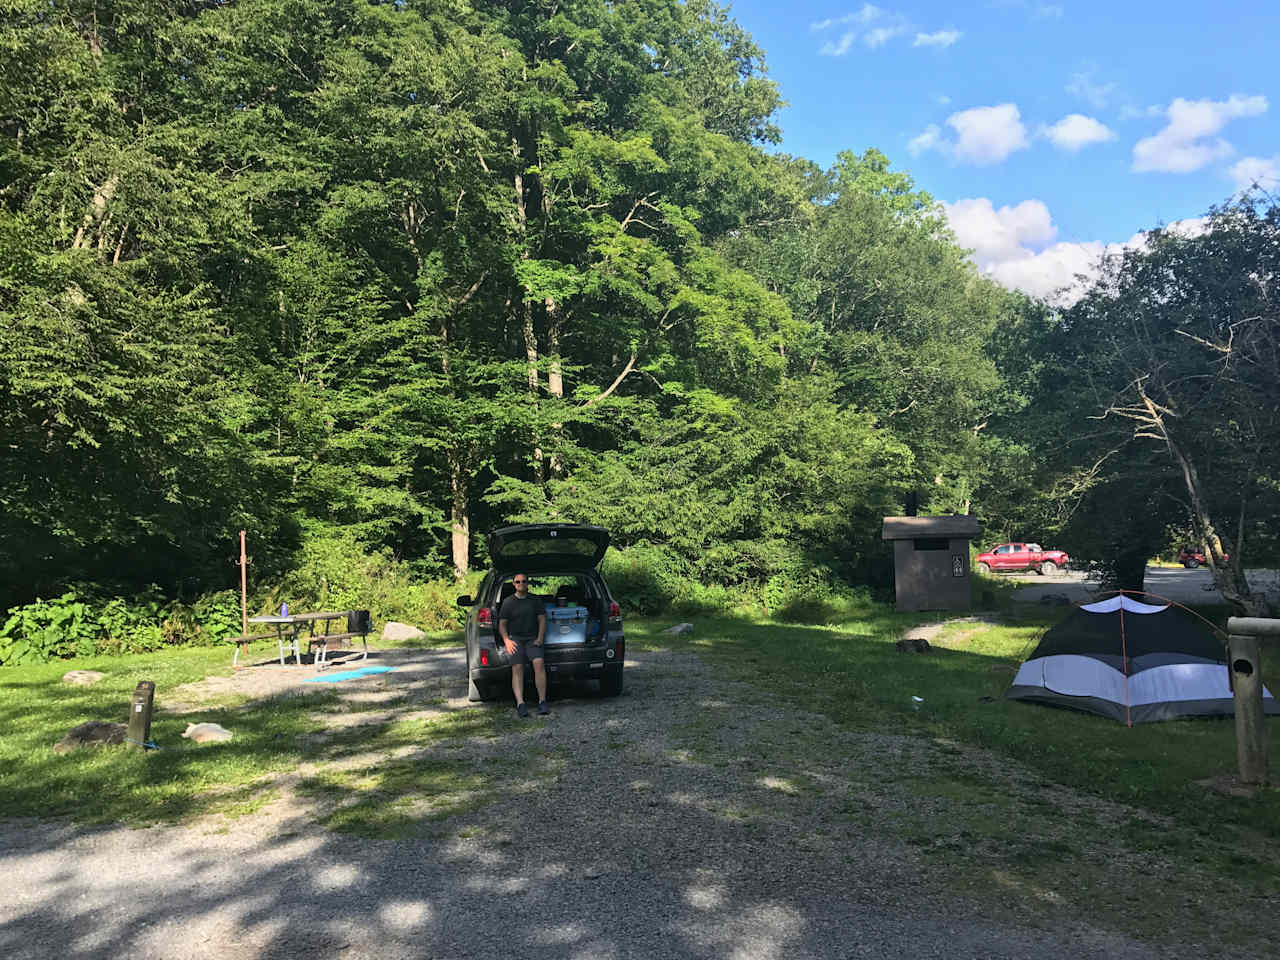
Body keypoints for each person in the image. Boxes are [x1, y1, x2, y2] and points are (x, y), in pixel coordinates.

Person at [498, 573, 549, 716]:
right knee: (517, 667)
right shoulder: (508, 602)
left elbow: (542, 619)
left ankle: (542, 702)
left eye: (524, 581)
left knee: (538, 663)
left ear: (527, 583)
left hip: (532, 638)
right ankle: (521, 704)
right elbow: (502, 624)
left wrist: (539, 638)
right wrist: (507, 640)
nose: (521, 583)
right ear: (514, 584)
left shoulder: (535, 600)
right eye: (517, 581)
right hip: (515, 639)